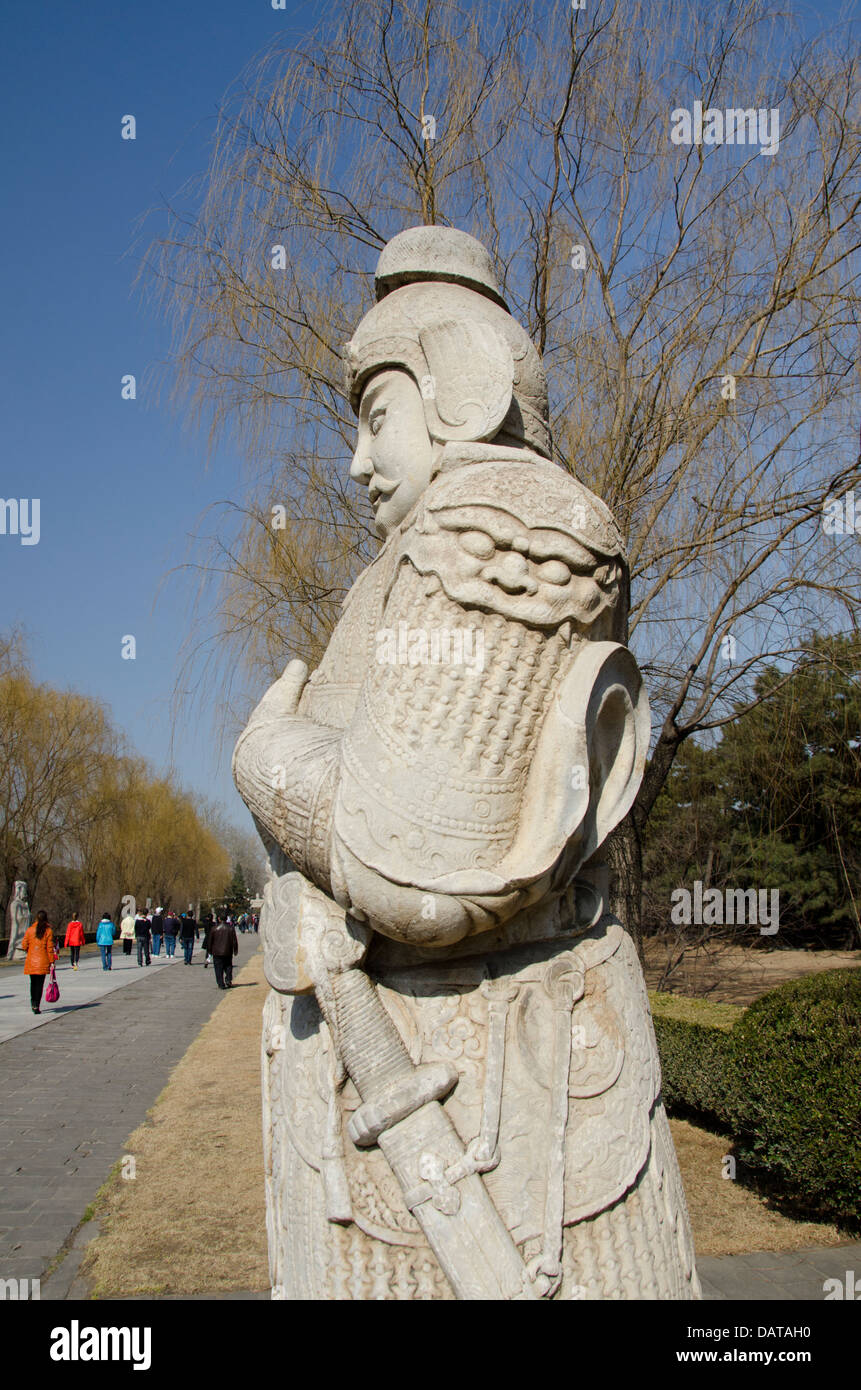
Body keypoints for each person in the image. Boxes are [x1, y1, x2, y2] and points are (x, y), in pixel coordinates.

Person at [21, 910, 58, 1014]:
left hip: (32, 961)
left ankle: (33, 1002)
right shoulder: (48, 931)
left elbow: (24, 945)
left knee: (33, 983)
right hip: (43, 960)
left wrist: (30, 950)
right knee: (40, 985)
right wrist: (52, 961)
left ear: (36, 918)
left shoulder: (30, 930)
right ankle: (37, 1005)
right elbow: (50, 948)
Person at [208, 915, 238, 990]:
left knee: (218, 968)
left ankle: (221, 983)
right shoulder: (231, 928)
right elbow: (234, 940)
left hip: (217, 952)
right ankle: (228, 979)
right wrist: (235, 949)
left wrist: (209, 950)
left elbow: (210, 941)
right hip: (227, 950)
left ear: (219, 919)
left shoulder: (214, 928)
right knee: (228, 966)